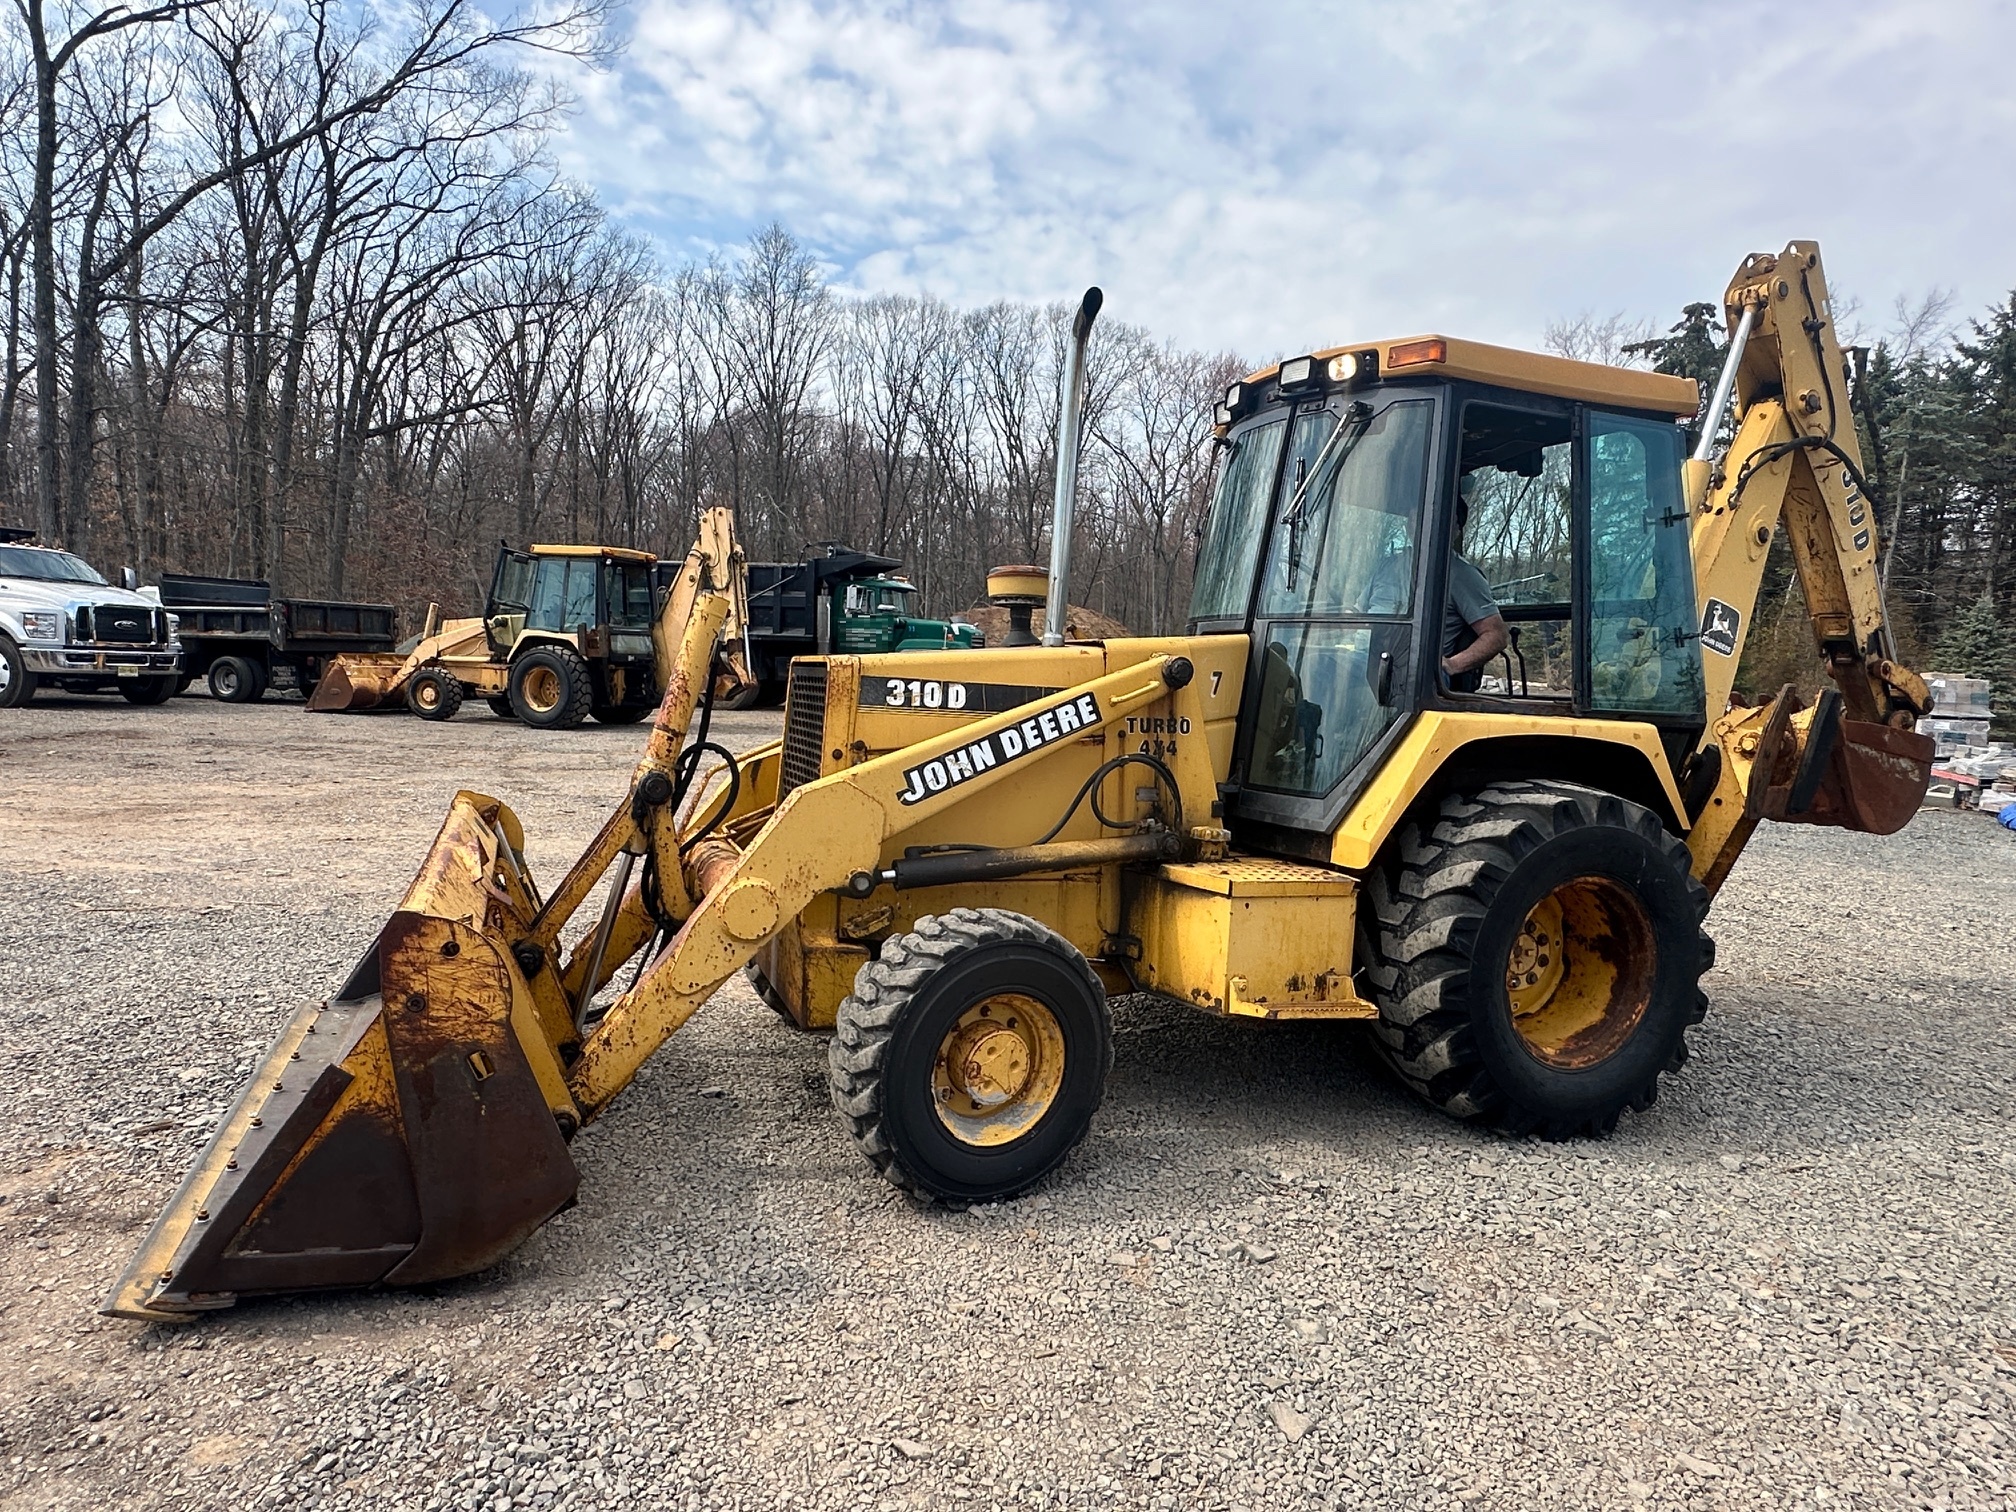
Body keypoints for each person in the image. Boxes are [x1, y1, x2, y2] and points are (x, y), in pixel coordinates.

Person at [1443, 472, 1509, 692]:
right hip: (1369, 660)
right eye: (1416, 516)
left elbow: (1497, 635)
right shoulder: (1387, 567)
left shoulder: (1461, 575)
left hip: (1416, 673)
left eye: (1439, 518)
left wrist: (1451, 665)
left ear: (1455, 530)